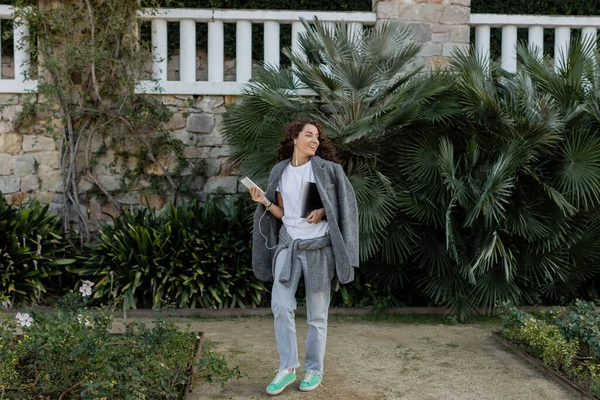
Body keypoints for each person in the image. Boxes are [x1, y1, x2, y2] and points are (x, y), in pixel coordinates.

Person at [248, 120, 359, 395]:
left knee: (317, 315)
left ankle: (313, 370)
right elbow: (281, 212)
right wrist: (263, 201)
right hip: (289, 246)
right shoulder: (280, 171)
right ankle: (287, 368)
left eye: (317, 137)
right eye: (308, 135)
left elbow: (346, 205)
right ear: (294, 138)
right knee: (281, 306)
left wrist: (322, 211)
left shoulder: (328, 170)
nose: (315, 140)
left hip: (319, 249)